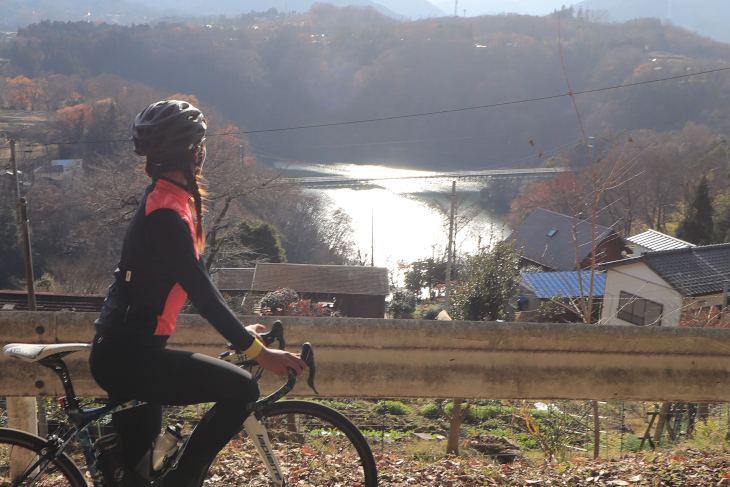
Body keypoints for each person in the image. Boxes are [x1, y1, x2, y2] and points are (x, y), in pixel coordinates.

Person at [89, 100, 306, 487]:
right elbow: (202, 294)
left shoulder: (166, 201)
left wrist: (244, 334)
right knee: (242, 388)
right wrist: (258, 352)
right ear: (195, 151)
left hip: (127, 351)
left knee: (137, 476)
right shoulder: (168, 215)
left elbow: (200, 284)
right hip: (131, 355)